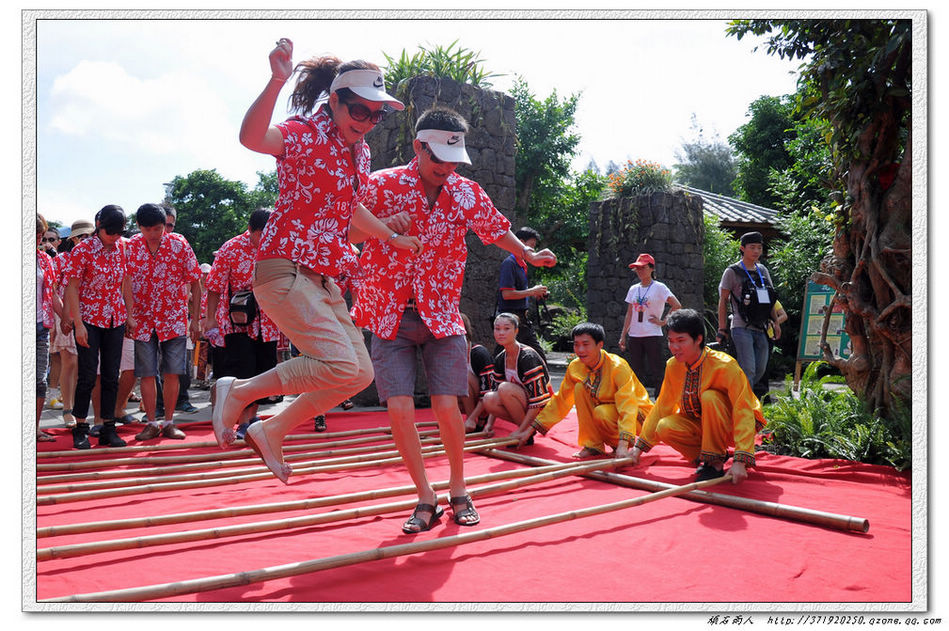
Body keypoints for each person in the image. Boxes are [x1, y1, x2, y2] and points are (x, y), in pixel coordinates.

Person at [213, 38, 422, 485]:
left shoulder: (360, 153)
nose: (366, 122)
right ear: (335, 100)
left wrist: (388, 235)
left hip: (325, 278)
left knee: (358, 374)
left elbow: (350, 210)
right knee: (342, 365)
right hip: (284, 267)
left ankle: (270, 429)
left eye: (376, 113)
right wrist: (275, 80)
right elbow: (252, 138)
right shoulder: (302, 133)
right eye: (358, 110)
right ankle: (239, 391)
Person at [350, 106, 557, 533]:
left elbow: (495, 227)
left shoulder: (465, 192)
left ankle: (459, 488)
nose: (446, 167)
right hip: (390, 314)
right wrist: (384, 226)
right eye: (437, 158)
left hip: (442, 315)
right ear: (418, 148)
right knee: (400, 408)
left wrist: (527, 253)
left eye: (453, 160)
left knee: (448, 405)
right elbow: (345, 231)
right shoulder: (381, 185)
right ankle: (424, 496)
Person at [628, 308, 767, 484]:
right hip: (700, 423)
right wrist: (638, 449)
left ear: (698, 339)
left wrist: (740, 460)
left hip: (730, 426)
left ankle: (715, 462)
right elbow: (662, 406)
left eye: (681, 340)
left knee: (710, 397)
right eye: (670, 341)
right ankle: (708, 457)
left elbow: (743, 410)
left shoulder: (725, 366)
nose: (674, 347)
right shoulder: (673, 366)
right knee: (664, 426)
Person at [511, 321, 654, 460]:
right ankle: (593, 445)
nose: (580, 350)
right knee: (580, 388)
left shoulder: (618, 367)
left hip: (638, 415)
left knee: (601, 413)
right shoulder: (575, 367)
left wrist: (623, 444)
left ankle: (618, 446)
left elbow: (628, 406)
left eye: (586, 345)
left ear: (600, 345)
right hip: (608, 411)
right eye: (576, 345)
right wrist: (529, 430)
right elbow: (560, 401)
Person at [125, 203, 201, 441]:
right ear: (138, 227)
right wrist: (129, 314)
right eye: (147, 230)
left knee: (173, 372)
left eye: (158, 229)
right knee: (146, 373)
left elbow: (196, 282)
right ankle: (151, 422)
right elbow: (125, 282)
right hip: (143, 319)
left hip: (174, 317)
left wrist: (196, 320)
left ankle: (169, 422)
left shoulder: (179, 244)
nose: (153, 234)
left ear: (165, 225)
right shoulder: (131, 246)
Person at [60, 205, 134, 449]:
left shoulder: (123, 247)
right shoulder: (83, 250)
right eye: (109, 232)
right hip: (89, 318)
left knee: (112, 376)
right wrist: (78, 324)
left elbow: (126, 282)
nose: (113, 237)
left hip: (115, 318)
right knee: (88, 375)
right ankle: (81, 427)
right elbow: (72, 287)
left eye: (117, 232)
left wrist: (129, 316)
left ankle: (108, 427)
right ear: (99, 226)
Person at [202, 208, 281, 438]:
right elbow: (214, 286)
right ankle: (242, 420)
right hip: (238, 323)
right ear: (251, 230)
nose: (266, 239)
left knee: (263, 371)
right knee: (242, 371)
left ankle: (252, 417)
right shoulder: (230, 248)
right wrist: (210, 319)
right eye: (262, 234)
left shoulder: (277, 248)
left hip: (268, 321)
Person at [473, 313, 553, 441]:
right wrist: (489, 425)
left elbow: (537, 401)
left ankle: (525, 432)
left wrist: (521, 431)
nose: (501, 333)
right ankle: (526, 433)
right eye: (497, 329)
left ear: (516, 331)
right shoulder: (500, 358)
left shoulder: (527, 357)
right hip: (524, 402)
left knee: (505, 388)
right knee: (489, 399)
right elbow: (495, 391)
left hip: (542, 407)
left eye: (506, 328)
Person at [717, 231, 780, 389]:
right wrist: (722, 328)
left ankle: (741, 396)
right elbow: (723, 301)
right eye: (752, 247)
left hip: (762, 326)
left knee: (760, 369)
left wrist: (776, 322)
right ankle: (746, 408)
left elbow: (769, 300)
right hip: (741, 326)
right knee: (749, 369)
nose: (757, 251)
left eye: (759, 247)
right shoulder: (731, 272)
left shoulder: (762, 271)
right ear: (742, 248)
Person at [618, 253, 681, 396]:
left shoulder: (659, 287)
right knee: (635, 370)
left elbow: (676, 305)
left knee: (657, 370)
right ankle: (638, 401)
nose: (640, 271)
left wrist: (663, 321)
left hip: (652, 333)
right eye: (637, 268)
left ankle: (660, 400)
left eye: (643, 268)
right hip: (634, 334)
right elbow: (629, 313)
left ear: (652, 268)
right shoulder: (633, 288)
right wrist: (623, 335)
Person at [495, 226, 549, 360]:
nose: (532, 251)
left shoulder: (522, 264)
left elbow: (518, 293)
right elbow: (506, 294)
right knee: (502, 357)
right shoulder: (510, 263)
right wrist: (532, 291)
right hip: (510, 319)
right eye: (531, 246)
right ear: (520, 243)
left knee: (533, 356)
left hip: (521, 320)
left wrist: (536, 293)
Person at [36, 214, 64, 442]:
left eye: (40, 234)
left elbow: (53, 293)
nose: (38, 238)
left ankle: (33, 429)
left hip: (40, 325)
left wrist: (67, 319)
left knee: (39, 380)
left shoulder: (45, 260)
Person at [459, 313, 495, 433]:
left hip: (489, 401)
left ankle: (476, 420)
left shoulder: (479, 353)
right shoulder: (453, 354)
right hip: (470, 397)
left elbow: (489, 391)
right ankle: (470, 420)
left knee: (464, 375)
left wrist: (472, 418)